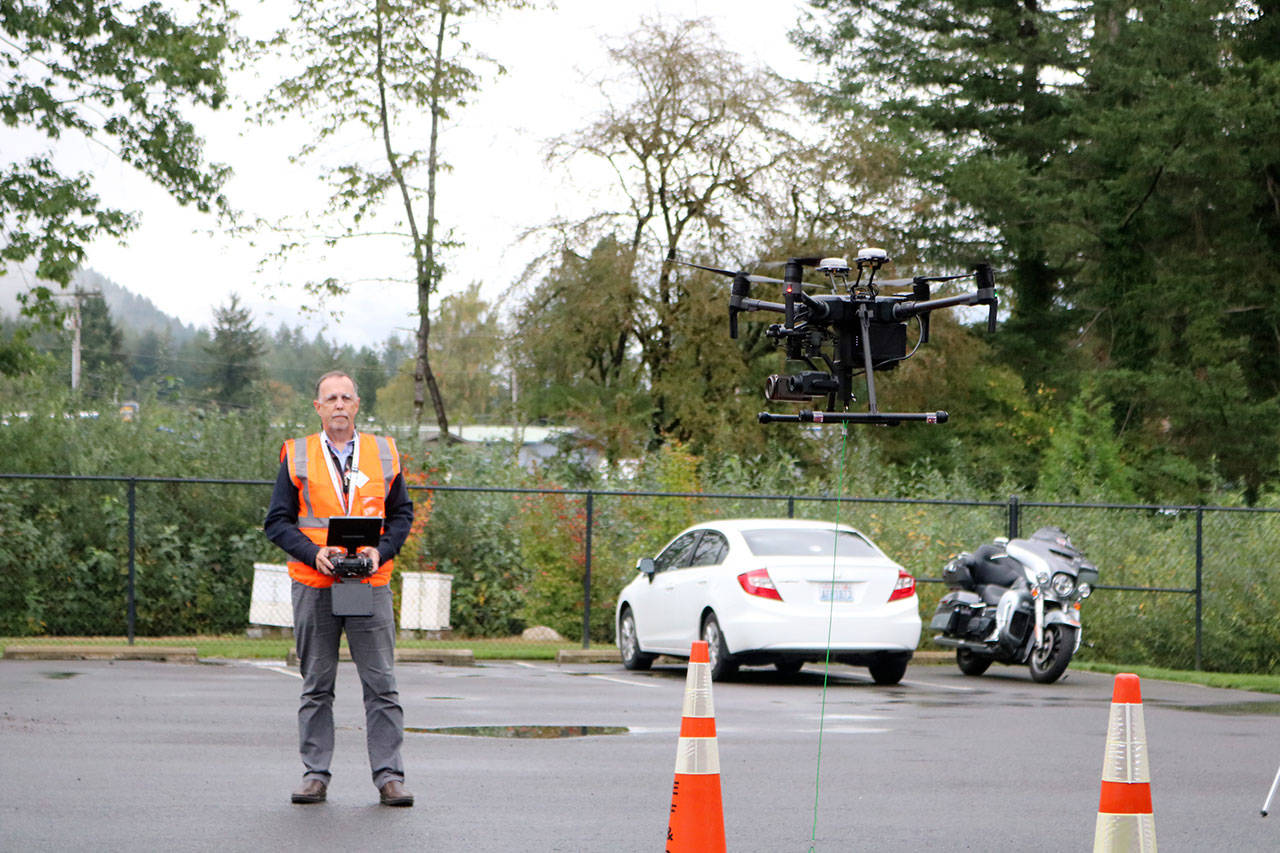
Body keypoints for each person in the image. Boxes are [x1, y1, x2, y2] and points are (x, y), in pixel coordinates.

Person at [264, 370, 416, 807]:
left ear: (357, 403)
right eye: (330, 398)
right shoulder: (297, 454)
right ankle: (315, 775)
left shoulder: (384, 453)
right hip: (316, 583)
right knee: (316, 685)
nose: (338, 405)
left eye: (345, 397)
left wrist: (380, 552)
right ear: (317, 407)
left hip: (369, 582)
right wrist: (314, 554)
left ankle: (390, 778)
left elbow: (402, 516)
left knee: (382, 685)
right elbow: (277, 522)